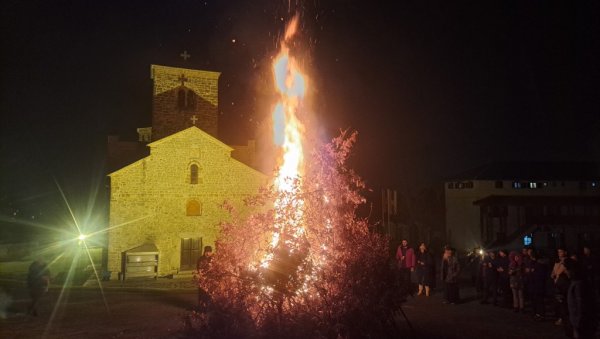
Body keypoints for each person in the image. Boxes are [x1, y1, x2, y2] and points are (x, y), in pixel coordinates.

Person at [565, 257, 597, 339]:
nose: (566, 272)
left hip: (580, 323)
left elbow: (581, 305)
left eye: (567, 270)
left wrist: (578, 323)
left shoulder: (578, 285)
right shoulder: (575, 283)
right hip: (577, 321)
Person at [551, 248, 570, 327]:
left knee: (563, 303)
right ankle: (560, 317)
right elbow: (554, 271)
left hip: (563, 285)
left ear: (565, 252)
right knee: (558, 303)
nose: (559, 253)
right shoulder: (557, 262)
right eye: (558, 252)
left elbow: (563, 272)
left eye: (561, 252)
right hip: (557, 284)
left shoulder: (567, 262)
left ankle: (564, 319)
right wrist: (553, 274)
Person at [529, 250, 549, 321]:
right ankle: (538, 313)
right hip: (536, 285)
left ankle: (541, 315)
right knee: (537, 300)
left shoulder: (539, 265)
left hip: (538, 285)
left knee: (539, 301)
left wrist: (532, 272)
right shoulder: (536, 264)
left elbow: (539, 276)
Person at [196, 246, 213, 311]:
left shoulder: (213, 259)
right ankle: (201, 308)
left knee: (209, 294)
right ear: (204, 252)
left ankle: (209, 307)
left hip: (211, 279)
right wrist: (202, 276)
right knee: (202, 294)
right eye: (206, 252)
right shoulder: (201, 259)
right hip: (203, 279)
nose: (208, 253)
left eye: (209, 252)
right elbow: (199, 268)